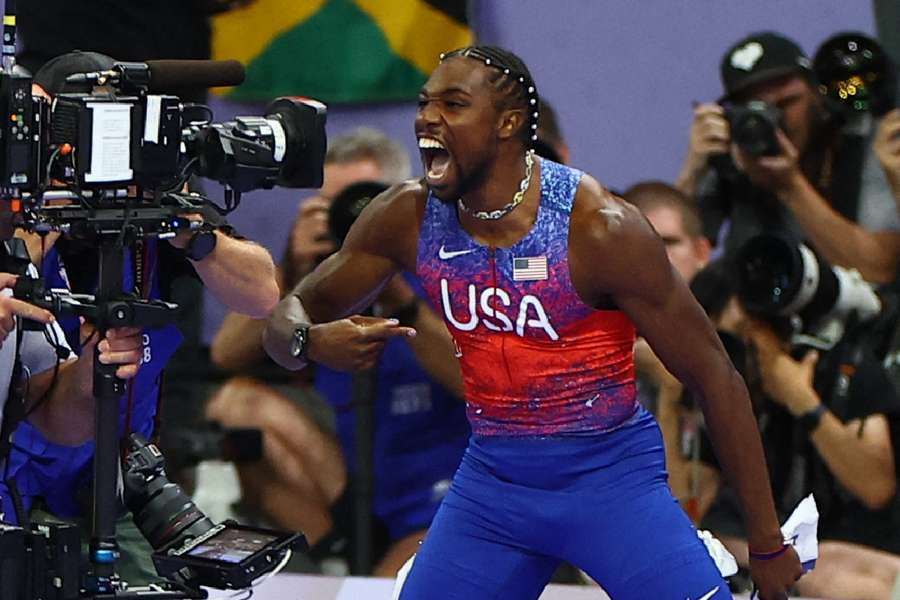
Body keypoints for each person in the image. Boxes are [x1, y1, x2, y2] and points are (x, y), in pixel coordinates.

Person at [263, 45, 802, 599]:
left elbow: (716, 376)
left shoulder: (600, 230)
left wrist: (766, 542)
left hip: (611, 482)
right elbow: (282, 321)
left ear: (508, 123)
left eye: (452, 103)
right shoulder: (407, 216)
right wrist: (309, 340)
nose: (427, 117)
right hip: (494, 486)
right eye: (425, 103)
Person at [7, 50, 280, 585]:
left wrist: (185, 228)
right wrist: (34, 238)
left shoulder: (160, 206)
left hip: (115, 481)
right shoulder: (20, 207)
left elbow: (262, 293)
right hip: (15, 476)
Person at [210, 135, 468, 577]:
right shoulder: (317, 281)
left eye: (365, 204)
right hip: (345, 491)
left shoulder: (447, 269)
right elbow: (225, 355)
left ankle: (357, 574)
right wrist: (294, 272)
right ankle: (337, 563)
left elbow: (475, 380)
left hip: (437, 498)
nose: (352, 219)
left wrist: (395, 291)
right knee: (237, 404)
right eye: (336, 204)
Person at [686, 261, 900, 599]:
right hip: (785, 570)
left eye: (736, 341)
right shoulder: (723, 398)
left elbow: (876, 486)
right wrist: (671, 399)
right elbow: (686, 516)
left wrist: (800, 398)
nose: (727, 361)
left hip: (868, 563)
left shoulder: (840, 365)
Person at [677, 31, 900, 285]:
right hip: (761, 316)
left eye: (787, 103)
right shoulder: (735, 155)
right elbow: (660, 261)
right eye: (757, 110)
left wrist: (790, 186)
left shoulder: (860, 143)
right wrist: (692, 172)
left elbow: (879, 270)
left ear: (817, 95)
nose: (775, 121)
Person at [623, 181, 716, 514]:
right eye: (638, 245)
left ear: (702, 253)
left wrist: (670, 390)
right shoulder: (579, 347)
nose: (654, 259)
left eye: (669, 243)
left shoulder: (727, 353)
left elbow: (688, 511)